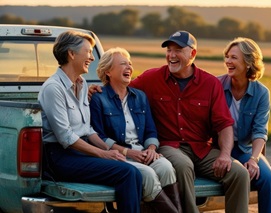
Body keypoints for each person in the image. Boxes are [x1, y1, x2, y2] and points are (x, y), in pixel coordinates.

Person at [89, 31, 251, 213]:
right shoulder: (151, 78)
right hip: (170, 147)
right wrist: (95, 89)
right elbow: (119, 89)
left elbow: (224, 125)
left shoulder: (210, 83)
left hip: (202, 149)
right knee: (182, 166)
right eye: (169, 50)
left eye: (178, 50)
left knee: (239, 174)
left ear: (193, 54)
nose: (171, 55)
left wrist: (224, 154)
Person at [38, 31, 142, 213]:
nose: (92, 58)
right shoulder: (53, 88)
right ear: (71, 54)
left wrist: (109, 150)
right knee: (127, 172)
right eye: (88, 52)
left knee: (133, 171)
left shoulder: (82, 84)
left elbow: (87, 129)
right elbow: (66, 137)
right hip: (59, 157)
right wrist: (102, 155)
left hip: (79, 151)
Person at [89, 47, 182, 213]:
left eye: (130, 64)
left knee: (166, 168)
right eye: (123, 64)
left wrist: (152, 149)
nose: (129, 67)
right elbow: (99, 137)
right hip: (117, 156)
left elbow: (151, 131)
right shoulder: (98, 98)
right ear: (108, 71)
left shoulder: (140, 96)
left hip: (143, 152)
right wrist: (128, 153)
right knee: (148, 175)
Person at [219, 37, 271, 213]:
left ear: (249, 62)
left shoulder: (261, 93)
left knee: (267, 179)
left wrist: (254, 159)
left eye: (234, 58)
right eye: (227, 57)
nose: (228, 61)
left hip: (243, 149)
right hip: (217, 148)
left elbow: (260, 131)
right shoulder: (216, 85)